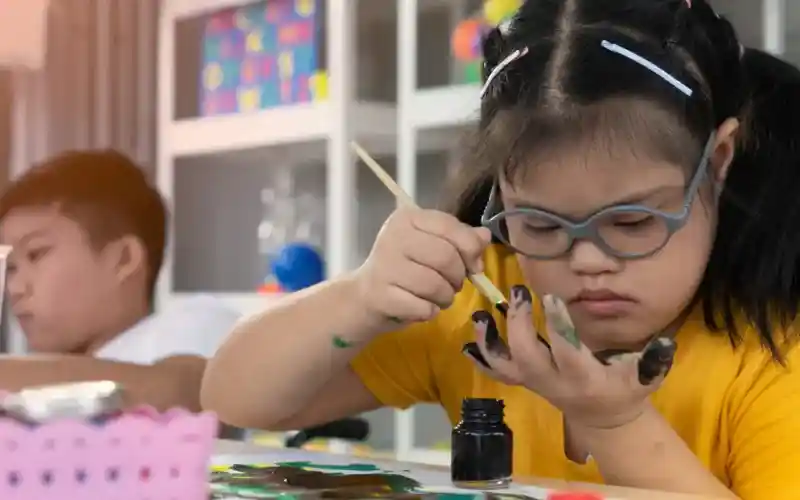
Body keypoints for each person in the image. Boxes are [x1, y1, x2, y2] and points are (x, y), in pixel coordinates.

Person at [201, 0, 800, 497]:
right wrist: (359, 298)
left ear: (717, 163)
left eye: (634, 221)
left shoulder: (771, 353)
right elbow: (234, 399)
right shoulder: (490, 304)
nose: (587, 261)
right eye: (540, 225)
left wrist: (612, 421)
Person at [0, 149, 241, 411]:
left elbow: (186, 394)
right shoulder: (35, 371)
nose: (14, 288)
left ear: (123, 259)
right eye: (10, 267)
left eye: (35, 254)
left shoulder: (196, 320)